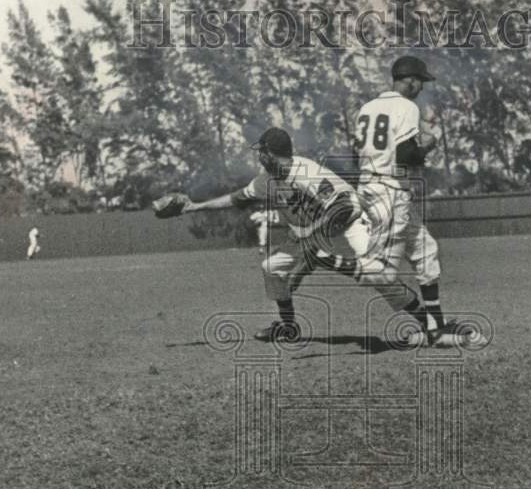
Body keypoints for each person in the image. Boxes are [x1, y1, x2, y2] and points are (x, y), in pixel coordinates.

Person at [155, 127, 431, 343]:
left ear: (270, 154)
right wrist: (195, 206)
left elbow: (345, 207)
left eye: (261, 152)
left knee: (380, 279)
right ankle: (289, 327)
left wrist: (312, 235)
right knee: (272, 267)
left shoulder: (306, 172)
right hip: (310, 235)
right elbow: (237, 199)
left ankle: (429, 325)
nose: (259, 157)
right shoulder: (267, 181)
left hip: (350, 228)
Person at [313, 56, 462, 345]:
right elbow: (406, 157)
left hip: (373, 186)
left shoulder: (367, 108)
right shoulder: (406, 106)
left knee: (426, 252)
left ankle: (436, 329)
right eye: (420, 81)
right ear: (410, 79)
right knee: (382, 272)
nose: (421, 86)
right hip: (390, 192)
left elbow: (358, 155)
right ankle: (327, 259)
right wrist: (428, 146)